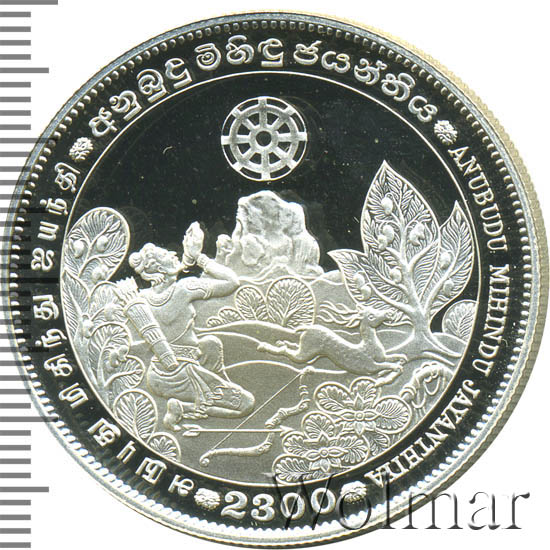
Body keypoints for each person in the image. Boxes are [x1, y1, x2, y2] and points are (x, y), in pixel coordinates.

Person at [127, 222, 255, 428]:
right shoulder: (184, 288)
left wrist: (186, 262)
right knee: (246, 404)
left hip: (157, 375)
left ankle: (215, 386)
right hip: (180, 373)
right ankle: (183, 409)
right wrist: (198, 257)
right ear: (160, 268)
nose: (173, 254)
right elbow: (232, 282)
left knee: (210, 344)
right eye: (166, 254)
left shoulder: (141, 298)